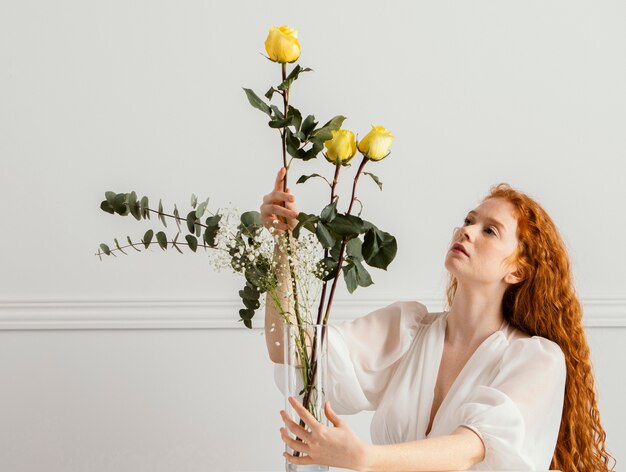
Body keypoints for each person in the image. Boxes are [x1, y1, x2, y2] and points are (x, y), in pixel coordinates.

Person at [260, 167, 615, 471]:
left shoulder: (536, 359)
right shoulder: (407, 330)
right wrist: (283, 244)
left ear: (518, 270)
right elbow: (288, 349)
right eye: (469, 220)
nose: (467, 231)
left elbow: (470, 447)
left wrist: (364, 457)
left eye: (490, 231)